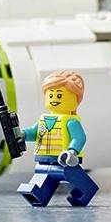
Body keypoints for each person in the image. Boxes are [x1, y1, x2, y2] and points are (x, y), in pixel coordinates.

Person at [15, 71, 98, 209]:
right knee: (41, 181)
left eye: (59, 95)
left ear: (75, 98)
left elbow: (79, 137)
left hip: (64, 162)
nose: (54, 98)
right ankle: (38, 196)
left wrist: (72, 151)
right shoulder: (44, 119)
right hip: (44, 161)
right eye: (50, 95)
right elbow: (34, 132)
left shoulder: (71, 121)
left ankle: (84, 193)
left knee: (71, 177)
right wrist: (22, 134)